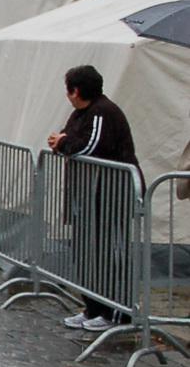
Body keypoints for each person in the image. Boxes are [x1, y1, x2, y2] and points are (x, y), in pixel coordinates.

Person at [47, 64, 139, 332]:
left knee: (107, 253)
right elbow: (68, 140)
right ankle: (93, 307)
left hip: (110, 196)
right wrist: (61, 142)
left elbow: (87, 146)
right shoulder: (81, 114)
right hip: (87, 196)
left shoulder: (102, 112)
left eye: (68, 90)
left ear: (75, 90)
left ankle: (116, 312)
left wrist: (62, 143)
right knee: (87, 252)